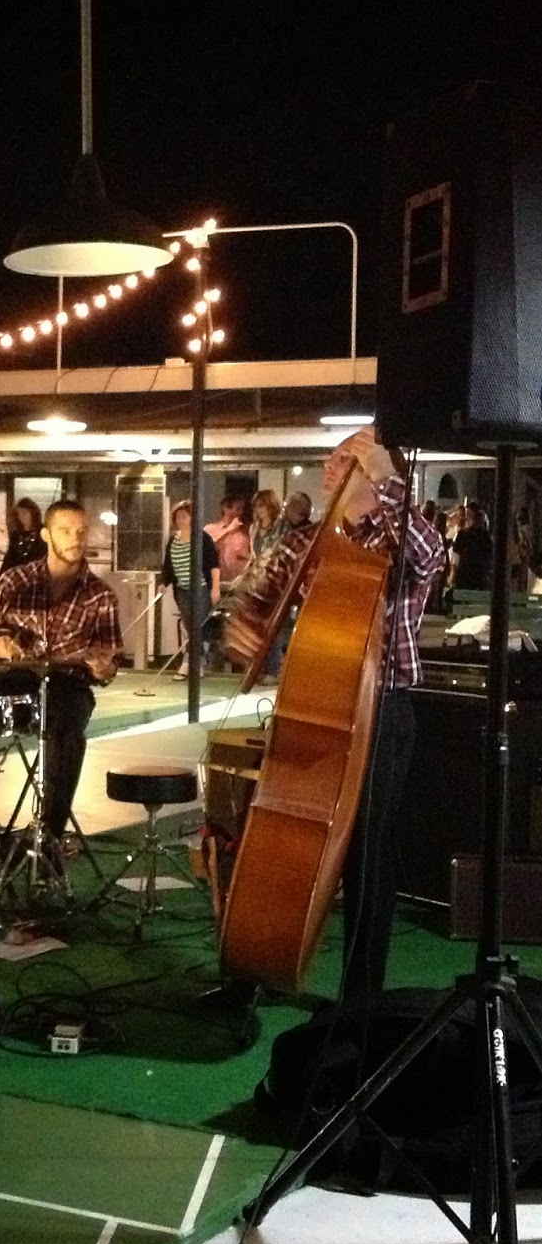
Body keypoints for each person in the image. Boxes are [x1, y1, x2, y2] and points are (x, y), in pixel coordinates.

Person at [224, 426, 444, 1002]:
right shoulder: (313, 539)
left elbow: (431, 556)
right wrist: (250, 619)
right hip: (315, 706)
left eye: (344, 457)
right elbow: (258, 595)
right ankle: (263, 961)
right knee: (288, 833)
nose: (328, 464)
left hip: (383, 708)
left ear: (370, 473)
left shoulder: (396, 540)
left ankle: (360, 991)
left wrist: (389, 479)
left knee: (367, 849)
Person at [0, 500, 122, 840]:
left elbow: (109, 666)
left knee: (68, 732)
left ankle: (49, 836)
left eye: (81, 531)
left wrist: (104, 668)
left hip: (68, 686)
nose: (76, 539)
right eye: (65, 531)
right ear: (46, 535)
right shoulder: (15, 580)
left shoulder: (101, 596)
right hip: (16, 681)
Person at [160, 500, 220, 677]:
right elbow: (169, 567)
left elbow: (213, 564)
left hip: (200, 588)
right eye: (178, 517)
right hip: (182, 590)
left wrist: (215, 588)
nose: (181, 520)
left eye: (184, 516)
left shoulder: (202, 538)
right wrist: (164, 583)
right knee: (189, 626)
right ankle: (199, 662)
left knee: (196, 626)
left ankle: (188, 663)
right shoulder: (173, 540)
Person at [205, 494, 252, 587]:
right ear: (226, 508)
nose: (240, 512)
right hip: (216, 582)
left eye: (241, 509)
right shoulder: (210, 529)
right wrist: (228, 529)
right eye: (237, 508)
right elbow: (207, 548)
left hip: (239, 583)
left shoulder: (245, 531)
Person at [449, 500, 493, 592]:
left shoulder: (463, 534)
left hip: (466, 573)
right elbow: (489, 555)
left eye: (467, 514)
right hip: (479, 574)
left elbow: (456, 556)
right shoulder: (484, 535)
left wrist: (453, 574)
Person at [0, 498, 46, 574]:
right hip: (17, 577)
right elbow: (9, 558)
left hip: (36, 576)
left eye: (24, 513)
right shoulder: (16, 535)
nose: (21, 517)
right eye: (19, 514)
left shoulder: (43, 533)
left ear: (33, 514)